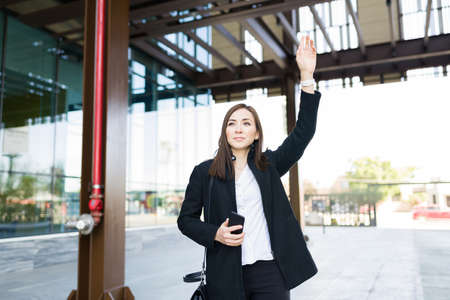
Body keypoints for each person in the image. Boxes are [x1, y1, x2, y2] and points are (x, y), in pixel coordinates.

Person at [177, 35, 321, 300]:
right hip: (225, 275)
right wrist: (215, 234)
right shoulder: (204, 172)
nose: (239, 128)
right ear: (225, 132)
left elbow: (303, 133)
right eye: (232, 123)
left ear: (256, 133)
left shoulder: (269, 165)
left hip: (271, 274)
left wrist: (306, 76)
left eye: (246, 123)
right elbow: (185, 221)